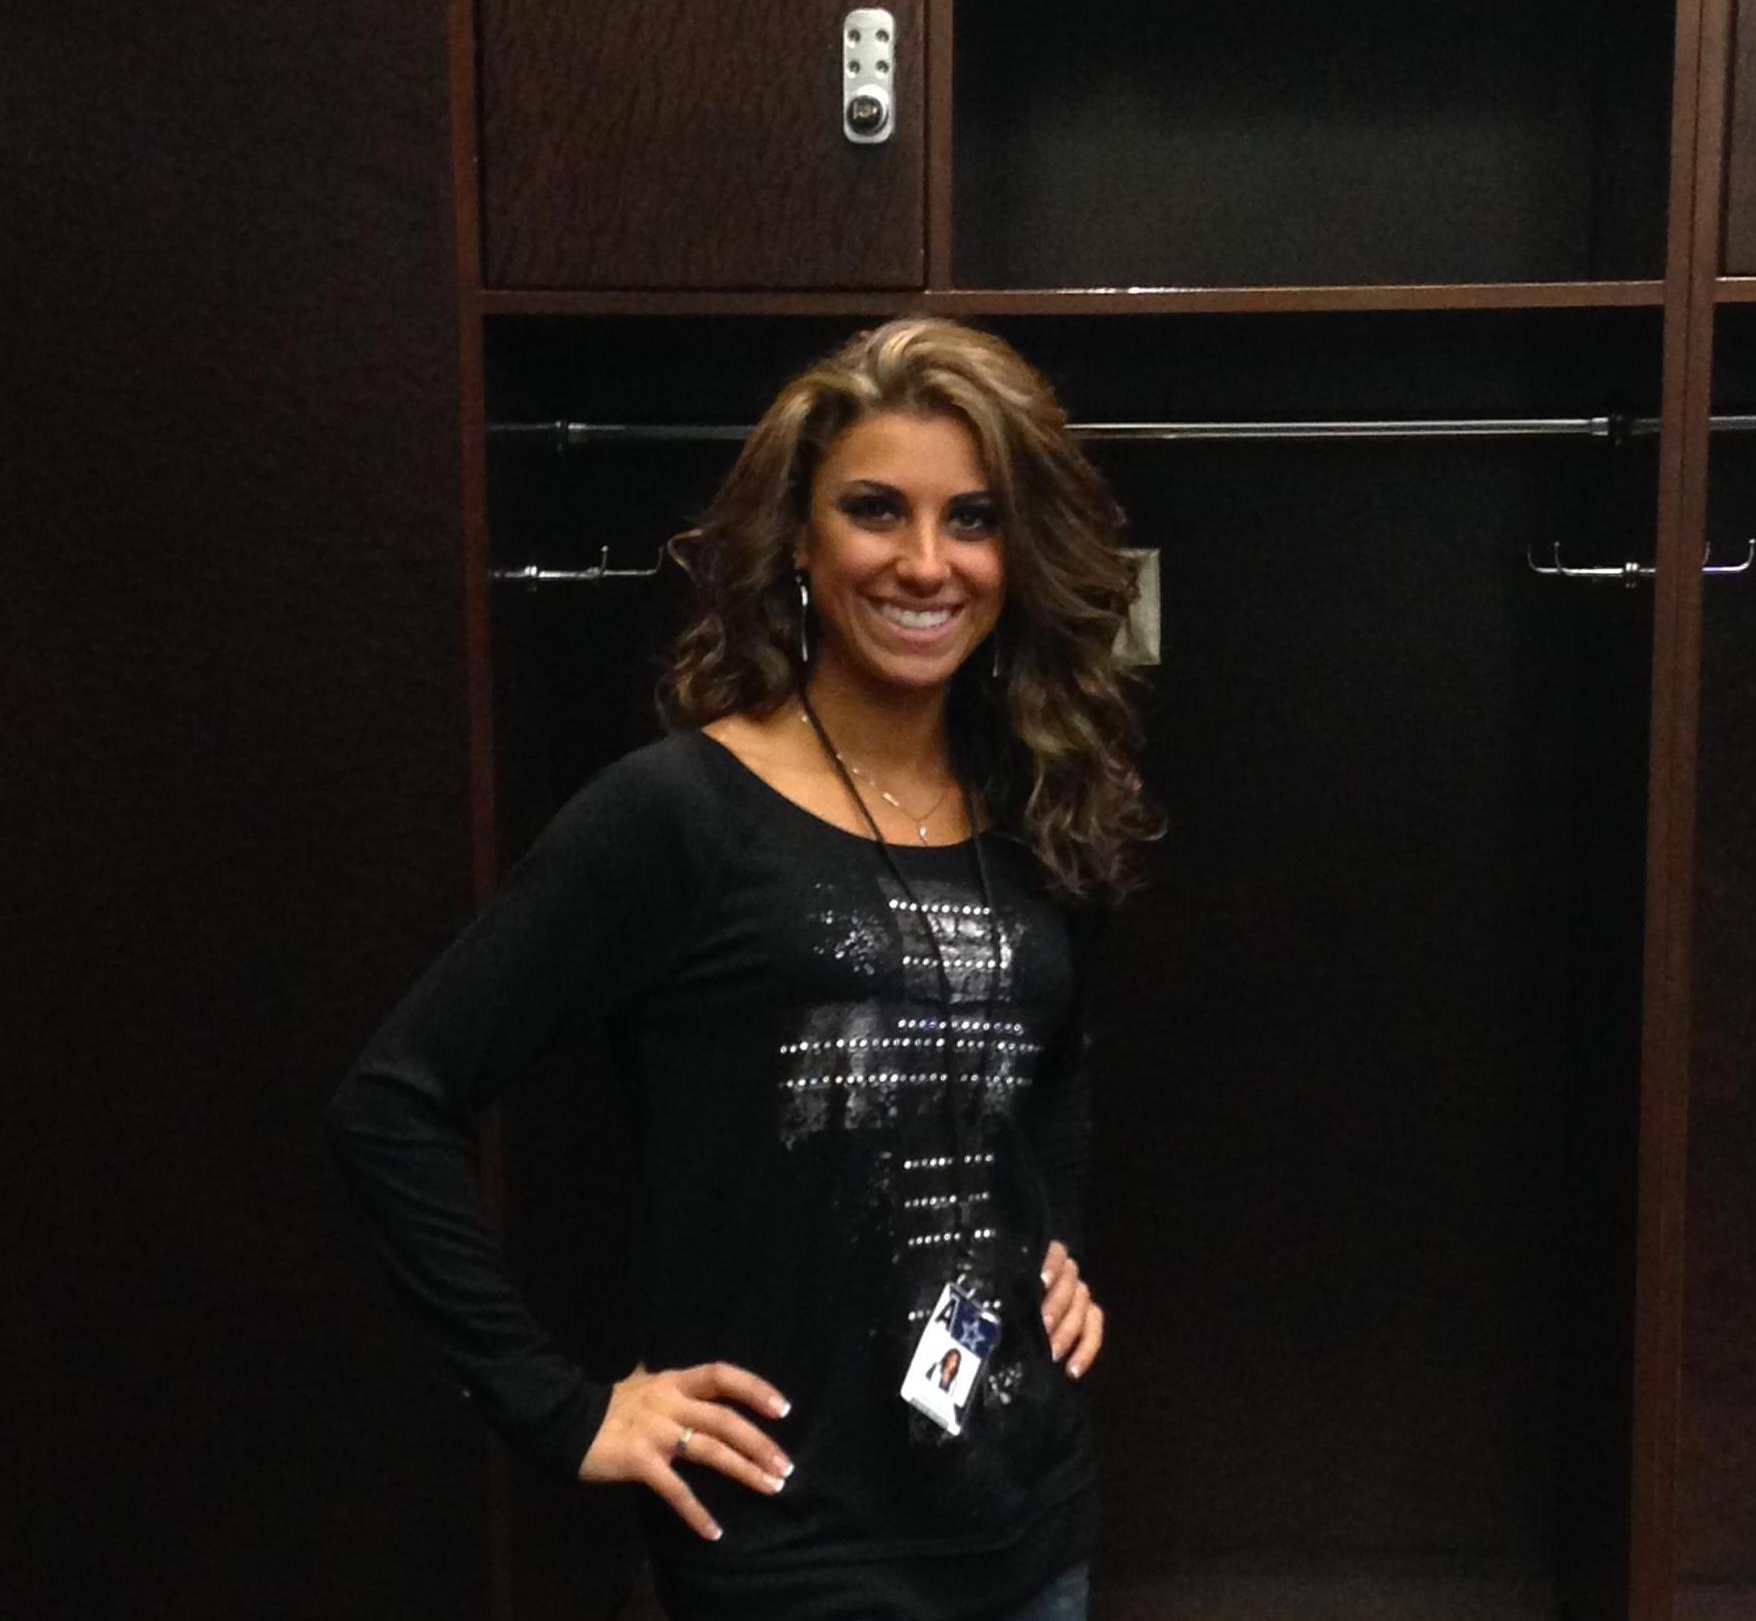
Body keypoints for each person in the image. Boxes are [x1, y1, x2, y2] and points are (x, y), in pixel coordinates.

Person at [322, 317, 1159, 1621]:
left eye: (973, 518)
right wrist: (560, 1405)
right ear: (802, 544)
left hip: (1028, 1531)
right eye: (875, 509)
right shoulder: (678, 815)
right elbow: (393, 1099)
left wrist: (1051, 1234)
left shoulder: (1031, 803)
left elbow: (1047, 1065)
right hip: (788, 1556)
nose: (925, 561)